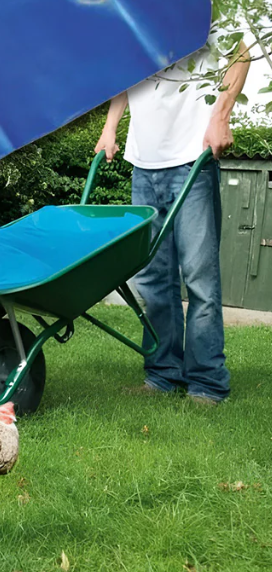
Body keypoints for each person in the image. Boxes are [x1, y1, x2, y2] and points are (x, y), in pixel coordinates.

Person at [95, 30, 251, 406]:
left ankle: (207, 382)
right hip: (143, 164)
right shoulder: (135, 18)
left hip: (191, 159)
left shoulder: (200, 7)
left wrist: (221, 117)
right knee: (154, 280)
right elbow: (125, 75)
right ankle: (163, 373)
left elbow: (242, 54)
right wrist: (110, 128)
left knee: (199, 276)